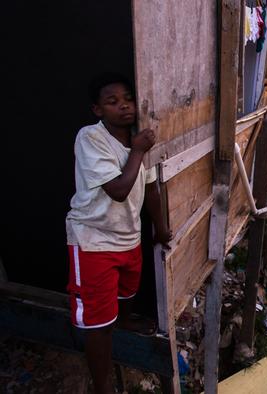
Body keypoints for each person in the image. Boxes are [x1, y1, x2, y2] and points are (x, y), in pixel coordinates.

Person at [65, 72, 172, 393]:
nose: (124, 106)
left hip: (128, 235)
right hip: (93, 240)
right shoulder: (91, 138)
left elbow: (150, 189)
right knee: (99, 324)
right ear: (98, 110)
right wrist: (137, 151)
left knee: (127, 289)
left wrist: (161, 227)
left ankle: (125, 318)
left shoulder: (139, 137)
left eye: (128, 99)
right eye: (113, 102)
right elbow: (119, 190)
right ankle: (103, 386)